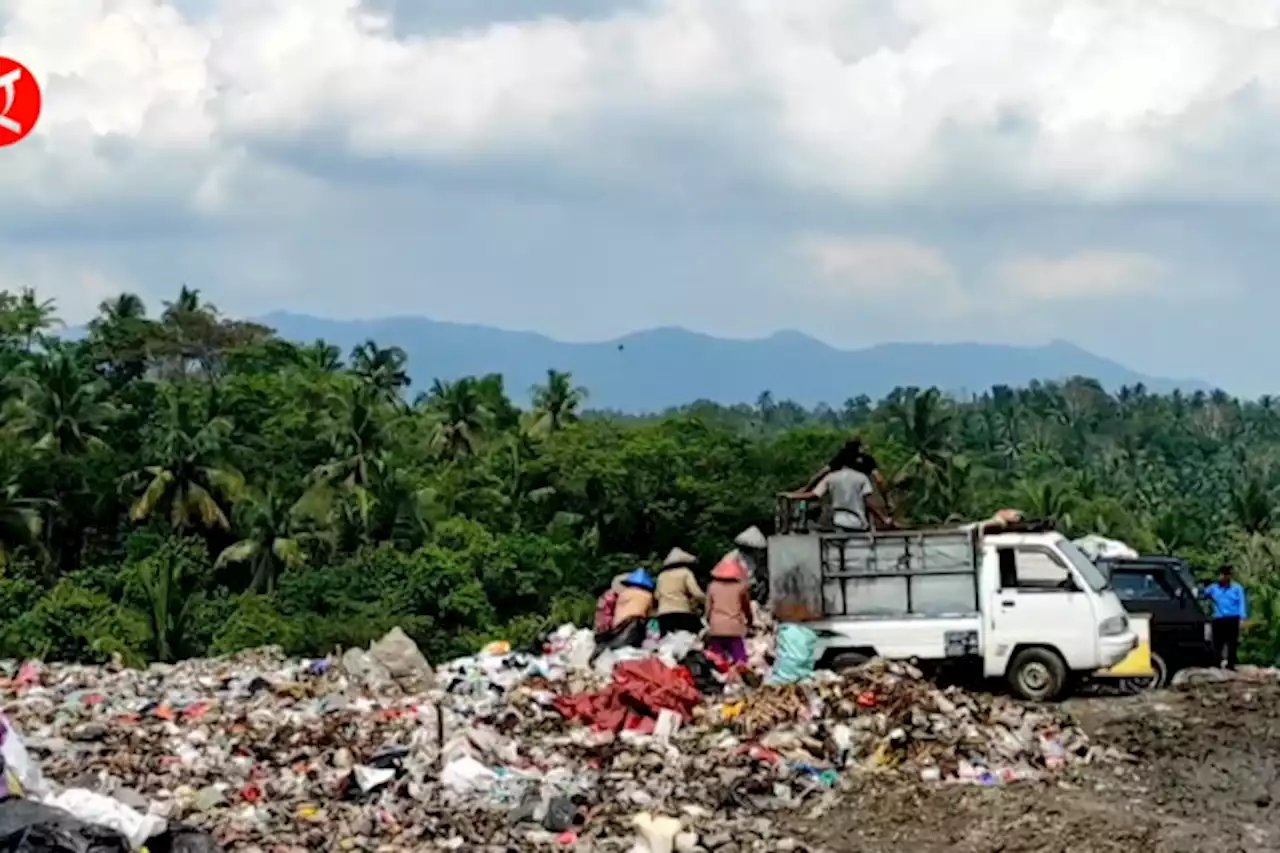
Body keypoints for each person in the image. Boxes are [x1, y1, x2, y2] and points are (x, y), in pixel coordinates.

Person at [788, 441, 890, 531]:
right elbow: (879, 480)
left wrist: (806, 488)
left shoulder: (840, 461)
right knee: (867, 508)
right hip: (861, 493)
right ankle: (871, 531)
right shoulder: (867, 461)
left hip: (841, 500)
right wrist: (886, 500)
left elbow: (821, 473)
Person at [594, 568, 655, 654]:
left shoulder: (622, 594)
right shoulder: (648, 595)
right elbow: (650, 614)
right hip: (634, 623)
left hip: (616, 625)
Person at [705, 554, 753, 664]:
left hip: (716, 627)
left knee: (717, 660)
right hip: (734, 627)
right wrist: (750, 621)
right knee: (740, 660)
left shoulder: (712, 586)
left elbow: (708, 610)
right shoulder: (740, 587)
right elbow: (746, 608)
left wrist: (710, 623)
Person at [1200, 565, 1248, 670]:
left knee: (1232, 643)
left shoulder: (1237, 588)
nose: (1221, 577)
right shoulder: (1213, 588)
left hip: (1232, 618)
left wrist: (1242, 618)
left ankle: (1231, 664)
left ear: (1228, 576)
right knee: (1217, 643)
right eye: (1220, 575)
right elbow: (1202, 594)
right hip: (1218, 619)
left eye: (1224, 575)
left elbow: (1242, 603)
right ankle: (1217, 663)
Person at [655, 547, 706, 636]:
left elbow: (656, 595)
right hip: (681, 612)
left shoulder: (661, 576)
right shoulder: (685, 572)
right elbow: (696, 593)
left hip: (663, 613)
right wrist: (707, 602)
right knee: (688, 639)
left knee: (667, 643)